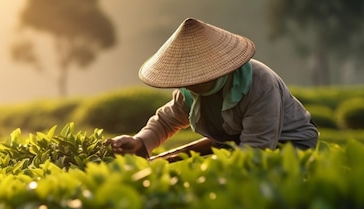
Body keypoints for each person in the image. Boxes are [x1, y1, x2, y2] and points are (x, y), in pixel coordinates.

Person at [106, 18, 319, 161]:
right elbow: (165, 122)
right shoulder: (188, 92)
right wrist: (139, 142)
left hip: (290, 145)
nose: (189, 81)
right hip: (234, 141)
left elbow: (256, 150)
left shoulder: (259, 84)